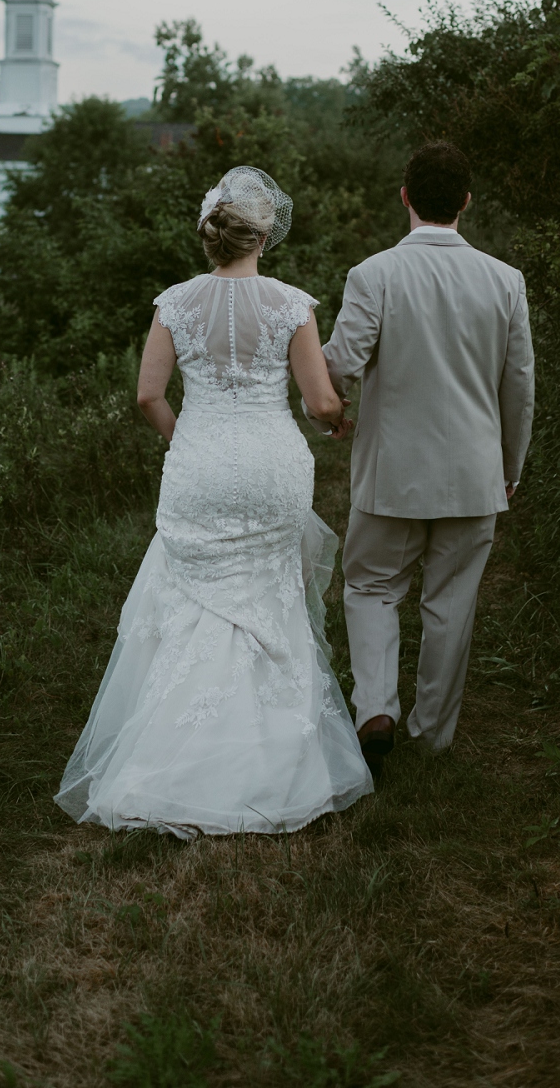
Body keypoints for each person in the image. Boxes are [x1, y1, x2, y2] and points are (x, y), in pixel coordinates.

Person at [56, 166, 374, 839]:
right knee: (269, 596)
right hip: (270, 466)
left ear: (212, 234)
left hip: (200, 464)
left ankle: (166, 765)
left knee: (194, 601)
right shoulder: (291, 304)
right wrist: (340, 417)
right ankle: (277, 765)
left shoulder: (175, 303)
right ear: (262, 236)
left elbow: (147, 394)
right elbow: (319, 402)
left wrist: (187, 440)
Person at [321, 142, 533, 765]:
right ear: (467, 201)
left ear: (405, 196)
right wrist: (510, 467)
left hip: (391, 473)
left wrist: (325, 411)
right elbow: (519, 388)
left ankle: (376, 708)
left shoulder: (374, 274)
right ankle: (433, 737)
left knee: (371, 587)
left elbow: (339, 365)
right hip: (474, 473)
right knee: (451, 603)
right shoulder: (505, 281)